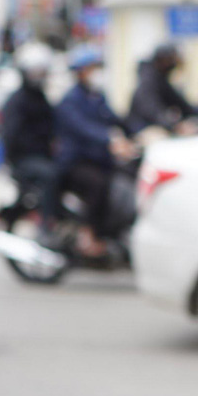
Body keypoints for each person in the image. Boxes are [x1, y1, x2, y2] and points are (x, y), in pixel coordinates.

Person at [55, 45, 137, 258]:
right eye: (93, 68)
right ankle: (88, 235)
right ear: (81, 72)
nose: (97, 72)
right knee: (99, 184)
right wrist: (110, 139)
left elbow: (116, 119)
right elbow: (84, 128)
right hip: (76, 162)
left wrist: (140, 132)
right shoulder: (71, 100)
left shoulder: (97, 97)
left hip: (99, 159)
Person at [0, 41, 59, 227]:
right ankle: (46, 224)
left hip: (42, 156)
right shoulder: (17, 101)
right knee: (52, 176)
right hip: (24, 160)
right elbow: (12, 135)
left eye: (42, 72)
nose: (39, 77)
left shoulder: (41, 98)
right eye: (36, 72)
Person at [127, 42, 198, 140]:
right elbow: (152, 111)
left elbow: (181, 104)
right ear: (163, 59)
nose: (174, 63)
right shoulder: (148, 79)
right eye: (172, 59)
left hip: (154, 126)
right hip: (140, 130)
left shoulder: (161, 79)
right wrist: (174, 125)